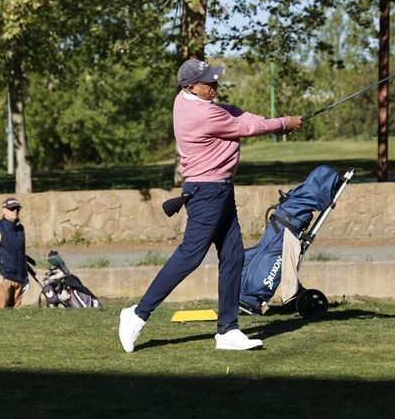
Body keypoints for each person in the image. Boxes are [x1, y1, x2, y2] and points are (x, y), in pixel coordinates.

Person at [118, 59, 303, 352]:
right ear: (191, 86)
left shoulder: (186, 100)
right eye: (209, 83)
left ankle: (227, 330)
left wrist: (264, 119)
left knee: (234, 257)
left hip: (220, 191)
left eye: (215, 81)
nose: (215, 86)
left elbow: (234, 113)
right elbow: (242, 125)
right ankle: (137, 314)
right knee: (190, 256)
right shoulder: (202, 113)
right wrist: (282, 123)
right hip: (206, 194)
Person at [0, 197, 29, 308]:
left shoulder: (20, 229)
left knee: (16, 319)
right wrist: (0, 280)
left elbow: (22, 254)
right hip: (4, 279)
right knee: (2, 317)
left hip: (19, 280)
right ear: (4, 210)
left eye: (17, 209)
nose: (15, 211)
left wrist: (25, 277)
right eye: (11, 209)